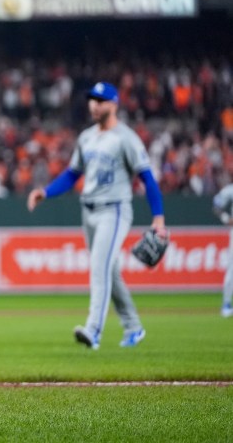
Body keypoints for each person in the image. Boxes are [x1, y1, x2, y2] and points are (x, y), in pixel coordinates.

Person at [27, 82, 166, 350]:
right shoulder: (87, 137)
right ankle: (134, 327)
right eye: (92, 99)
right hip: (88, 209)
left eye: (100, 100)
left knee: (99, 269)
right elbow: (72, 174)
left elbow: (147, 179)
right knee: (109, 272)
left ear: (114, 104)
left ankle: (94, 331)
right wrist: (45, 192)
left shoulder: (127, 138)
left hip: (113, 210)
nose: (94, 104)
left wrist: (158, 217)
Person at [212, 183, 233, 318]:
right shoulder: (231, 190)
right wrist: (226, 218)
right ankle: (226, 303)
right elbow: (216, 203)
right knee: (232, 269)